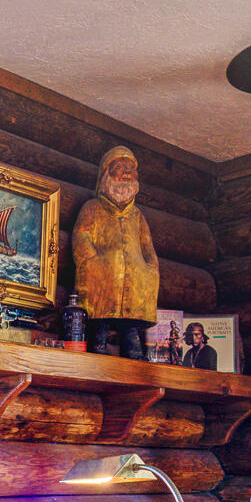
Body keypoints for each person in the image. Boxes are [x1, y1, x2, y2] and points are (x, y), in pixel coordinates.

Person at [70, 146, 159, 359]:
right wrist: (94, 262)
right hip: (101, 282)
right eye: (120, 168)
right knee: (98, 330)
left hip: (136, 285)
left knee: (132, 334)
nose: (127, 172)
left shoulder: (137, 216)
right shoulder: (92, 208)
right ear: (106, 174)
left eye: (131, 168)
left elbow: (147, 247)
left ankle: (134, 353)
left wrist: (151, 267)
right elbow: (81, 238)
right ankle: (97, 348)